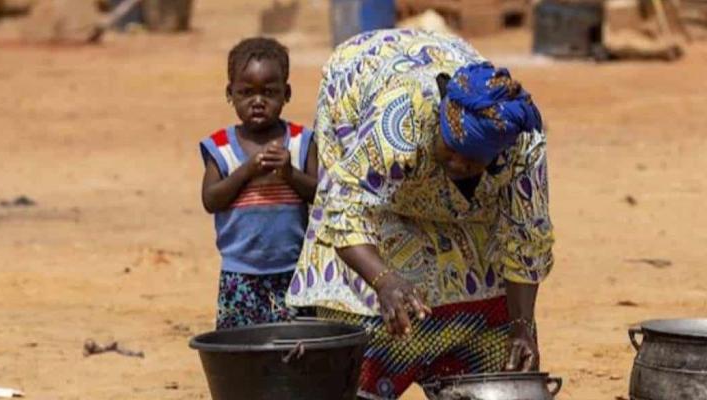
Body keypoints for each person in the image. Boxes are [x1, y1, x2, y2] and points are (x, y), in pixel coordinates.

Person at [286, 29, 554, 399]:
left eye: (473, 160)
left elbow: (527, 235)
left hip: (439, 74)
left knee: (485, 284)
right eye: (451, 149)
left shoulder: (522, 142)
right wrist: (383, 280)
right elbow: (345, 208)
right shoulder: (401, 118)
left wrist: (523, 326)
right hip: (361, 80)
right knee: (374, 273)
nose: (458, 163)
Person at [200, 38, 318, 329]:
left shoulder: (301, 142)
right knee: (241, 350)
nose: (257, 101)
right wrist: (246, 171)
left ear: (286, 93)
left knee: (295, 346)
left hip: (292, 274)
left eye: (269, 92)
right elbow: (211, 200)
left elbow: (321, 194)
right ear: (230, 94)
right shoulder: (221, 147)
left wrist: (290, 174)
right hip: (239, 275)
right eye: (246, 92)